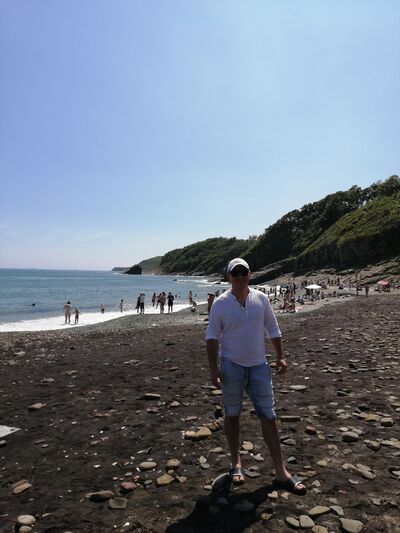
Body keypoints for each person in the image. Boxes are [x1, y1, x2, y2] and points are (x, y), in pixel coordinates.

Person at [206, 258, 306, 495]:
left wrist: (281, 356)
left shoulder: (261, 299)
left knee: (268, 416)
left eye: (244, 272)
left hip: (259, 366)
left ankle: (281, 472)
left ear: (250, 274)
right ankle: (235, 463)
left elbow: (273, 328)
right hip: (231, 366)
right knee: (232, 415)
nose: (240, 277)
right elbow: (212, 337)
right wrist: (213, 368)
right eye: (235, 273)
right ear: (229, 277)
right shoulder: (220, 304)